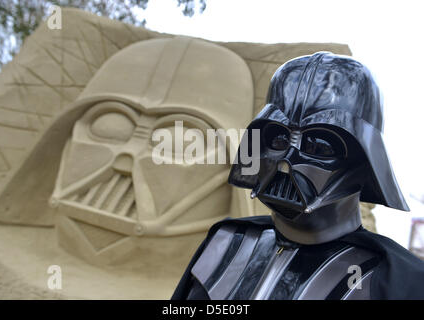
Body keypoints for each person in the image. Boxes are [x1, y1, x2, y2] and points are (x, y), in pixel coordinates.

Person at [172, 52, 424, 300]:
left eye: (318, 145)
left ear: (363, 161)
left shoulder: (399, 280)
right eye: (278, 138)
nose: (286, 162)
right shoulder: (224, 243)